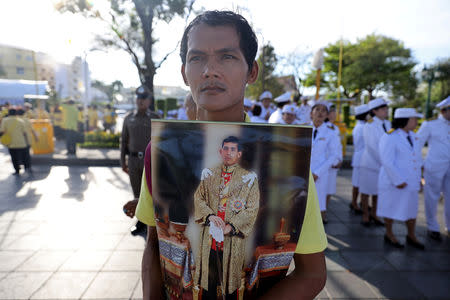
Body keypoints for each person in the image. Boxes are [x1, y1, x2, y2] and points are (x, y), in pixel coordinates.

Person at [135, 10, 327, 300]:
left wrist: (231, 224)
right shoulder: (162, 150)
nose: (209, 70)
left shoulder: (284, 154)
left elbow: (312, 274)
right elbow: (155, 245)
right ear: (184, 73)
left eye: (227, 57)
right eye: (197, 57)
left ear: (252, 71)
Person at [194, 136, 259, 298]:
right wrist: (209, 215)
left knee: (230, 286)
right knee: (208, 284)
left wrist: (231, 227)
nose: (228, 153)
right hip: (210, 240)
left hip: (231, 240)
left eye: (233, 149)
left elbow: (252, 208)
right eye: (226, 149)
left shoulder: (248, 178)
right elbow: (198, 197)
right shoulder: (210, 173)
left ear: (239, 154)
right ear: (220, 151)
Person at [377, 108, 425, 249]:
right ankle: (389, 233)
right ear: (405, 120)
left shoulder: (414, 136)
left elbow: (417, 159)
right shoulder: (389, 136)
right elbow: (387, 161)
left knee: (411, 209)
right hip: (394, 182)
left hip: (411, 181)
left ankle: (411, 235)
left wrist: (419, 179)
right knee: (390, 208)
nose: (416, 122)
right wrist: (398, 180)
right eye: (414, 119)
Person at [121, 86, 160, 236]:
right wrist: (122, 162)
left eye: (144, 98)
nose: (141, 101)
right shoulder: (128, 118)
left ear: (149, 101)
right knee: (136, 190)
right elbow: (123, 141)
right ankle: (141, 220)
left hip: (150, 161)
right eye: (138, 98)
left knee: (148, 192)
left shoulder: (155, 117)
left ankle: (149, 221)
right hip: (132, 160)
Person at [417, 96, 450, 241]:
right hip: (434, 167)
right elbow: (417, 145)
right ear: (444, 110)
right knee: (432, 197)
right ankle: (432, 226)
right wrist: (420, 165)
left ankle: (449, 226)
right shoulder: (430, 124)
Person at [359, 98, 391, 227]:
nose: (386, 111)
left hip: (383, 164)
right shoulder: (369, 125)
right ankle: (365, 215)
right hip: (371, 163)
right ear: (374, 111)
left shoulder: (388, 124)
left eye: (386, 108)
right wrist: (385, 162)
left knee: (378, 191)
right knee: (366, 191)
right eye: (383, 109)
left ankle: (375, 214)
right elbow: (372, 147)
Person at [309, 102, 341, 223]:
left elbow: (334, 155)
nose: (320, 112)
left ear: (327, 115)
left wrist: (317, 172)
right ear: (311, 113)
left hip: (320, 173)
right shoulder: (303, 128)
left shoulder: (331, 133)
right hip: (304, 171)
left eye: (324, 111)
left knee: (319, 204)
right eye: (317, 109)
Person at [350, 104, 371, 214]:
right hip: (361, 158)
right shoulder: (363, 127)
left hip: (360, 157)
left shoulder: (361, 125)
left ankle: (358, 202)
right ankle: (354, 202)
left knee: (358, 182)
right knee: (357, 183)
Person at [0, 108, 32, 175]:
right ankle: (27, 168)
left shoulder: (5, 120)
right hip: (22, 142)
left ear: (8, 113)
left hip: (11, 143)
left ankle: (17, 170)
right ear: (16, 114)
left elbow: (2, 131)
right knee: (24, 156)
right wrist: (27, 142)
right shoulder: (20, 121)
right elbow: (24, 133)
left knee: (14, 157)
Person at [325, 104, 343, 210]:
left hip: (334, 162)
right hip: (326, 163)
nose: (334, 116)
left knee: (330, 189)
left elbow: (338, 146)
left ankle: (325, 211)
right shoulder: (324, 127)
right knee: (322, 190)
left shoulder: (335, 128)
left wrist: (339, 160)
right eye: (332, 113)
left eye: (335, 114)